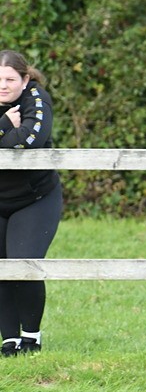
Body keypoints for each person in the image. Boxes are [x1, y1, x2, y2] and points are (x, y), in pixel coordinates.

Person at [0, 50, 63, 356]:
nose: (3, 85)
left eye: (10, 79)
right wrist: (2, 125)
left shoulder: (36, 98)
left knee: (23, 264)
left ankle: (31, 337)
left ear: (25, 80)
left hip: (34, 198)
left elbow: (30, 140)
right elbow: (12, 135)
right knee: (0, 268)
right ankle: (9, 339)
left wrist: (9, 130)